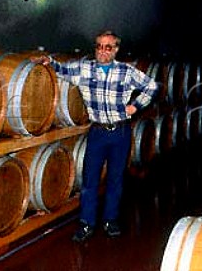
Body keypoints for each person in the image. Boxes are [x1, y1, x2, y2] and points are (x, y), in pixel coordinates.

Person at [38, 30, 158, 243]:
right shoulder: (85, 69)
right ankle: (86, 223)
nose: (102, 51)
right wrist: (49, 61)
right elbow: (63, 70)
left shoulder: (126, 71)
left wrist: (135, 106)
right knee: (90, 181)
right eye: (99, 46)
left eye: (108, 47)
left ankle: (110, 221)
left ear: (116, 50)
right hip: (97, 133)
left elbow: (151, 86)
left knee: (115, 179)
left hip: (120, 132)